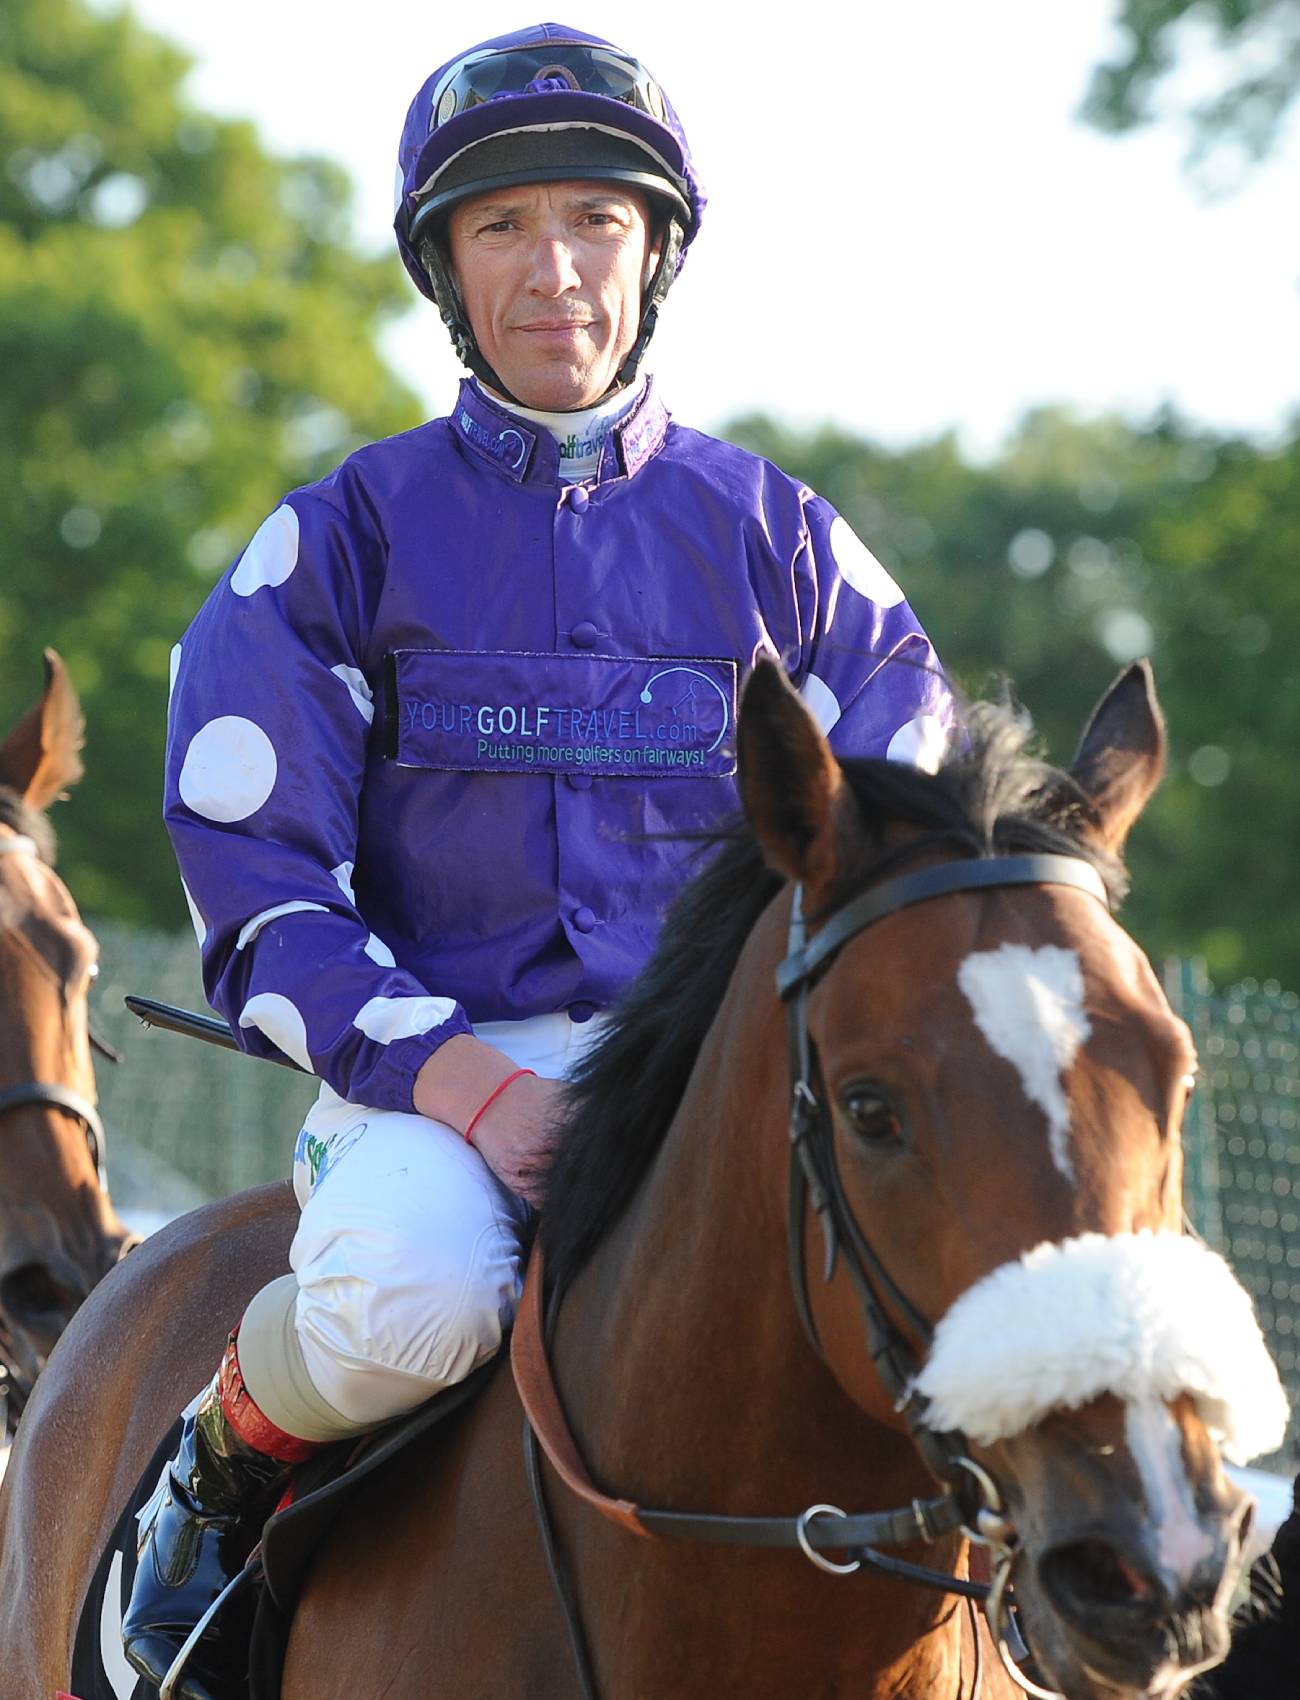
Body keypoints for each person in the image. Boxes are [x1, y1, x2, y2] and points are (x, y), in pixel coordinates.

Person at [123, 22, 954, 1695]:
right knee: (417, 1301)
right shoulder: (329, 544)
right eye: (503, 226)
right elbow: (261, 891)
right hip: (434, 1092)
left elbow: (901, 830)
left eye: (595, 218)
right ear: (442, 268)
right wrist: (469, 1089)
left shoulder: (788, 545)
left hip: (729, 1090)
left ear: (656, 256)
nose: (554, 269)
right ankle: (214, 1473)